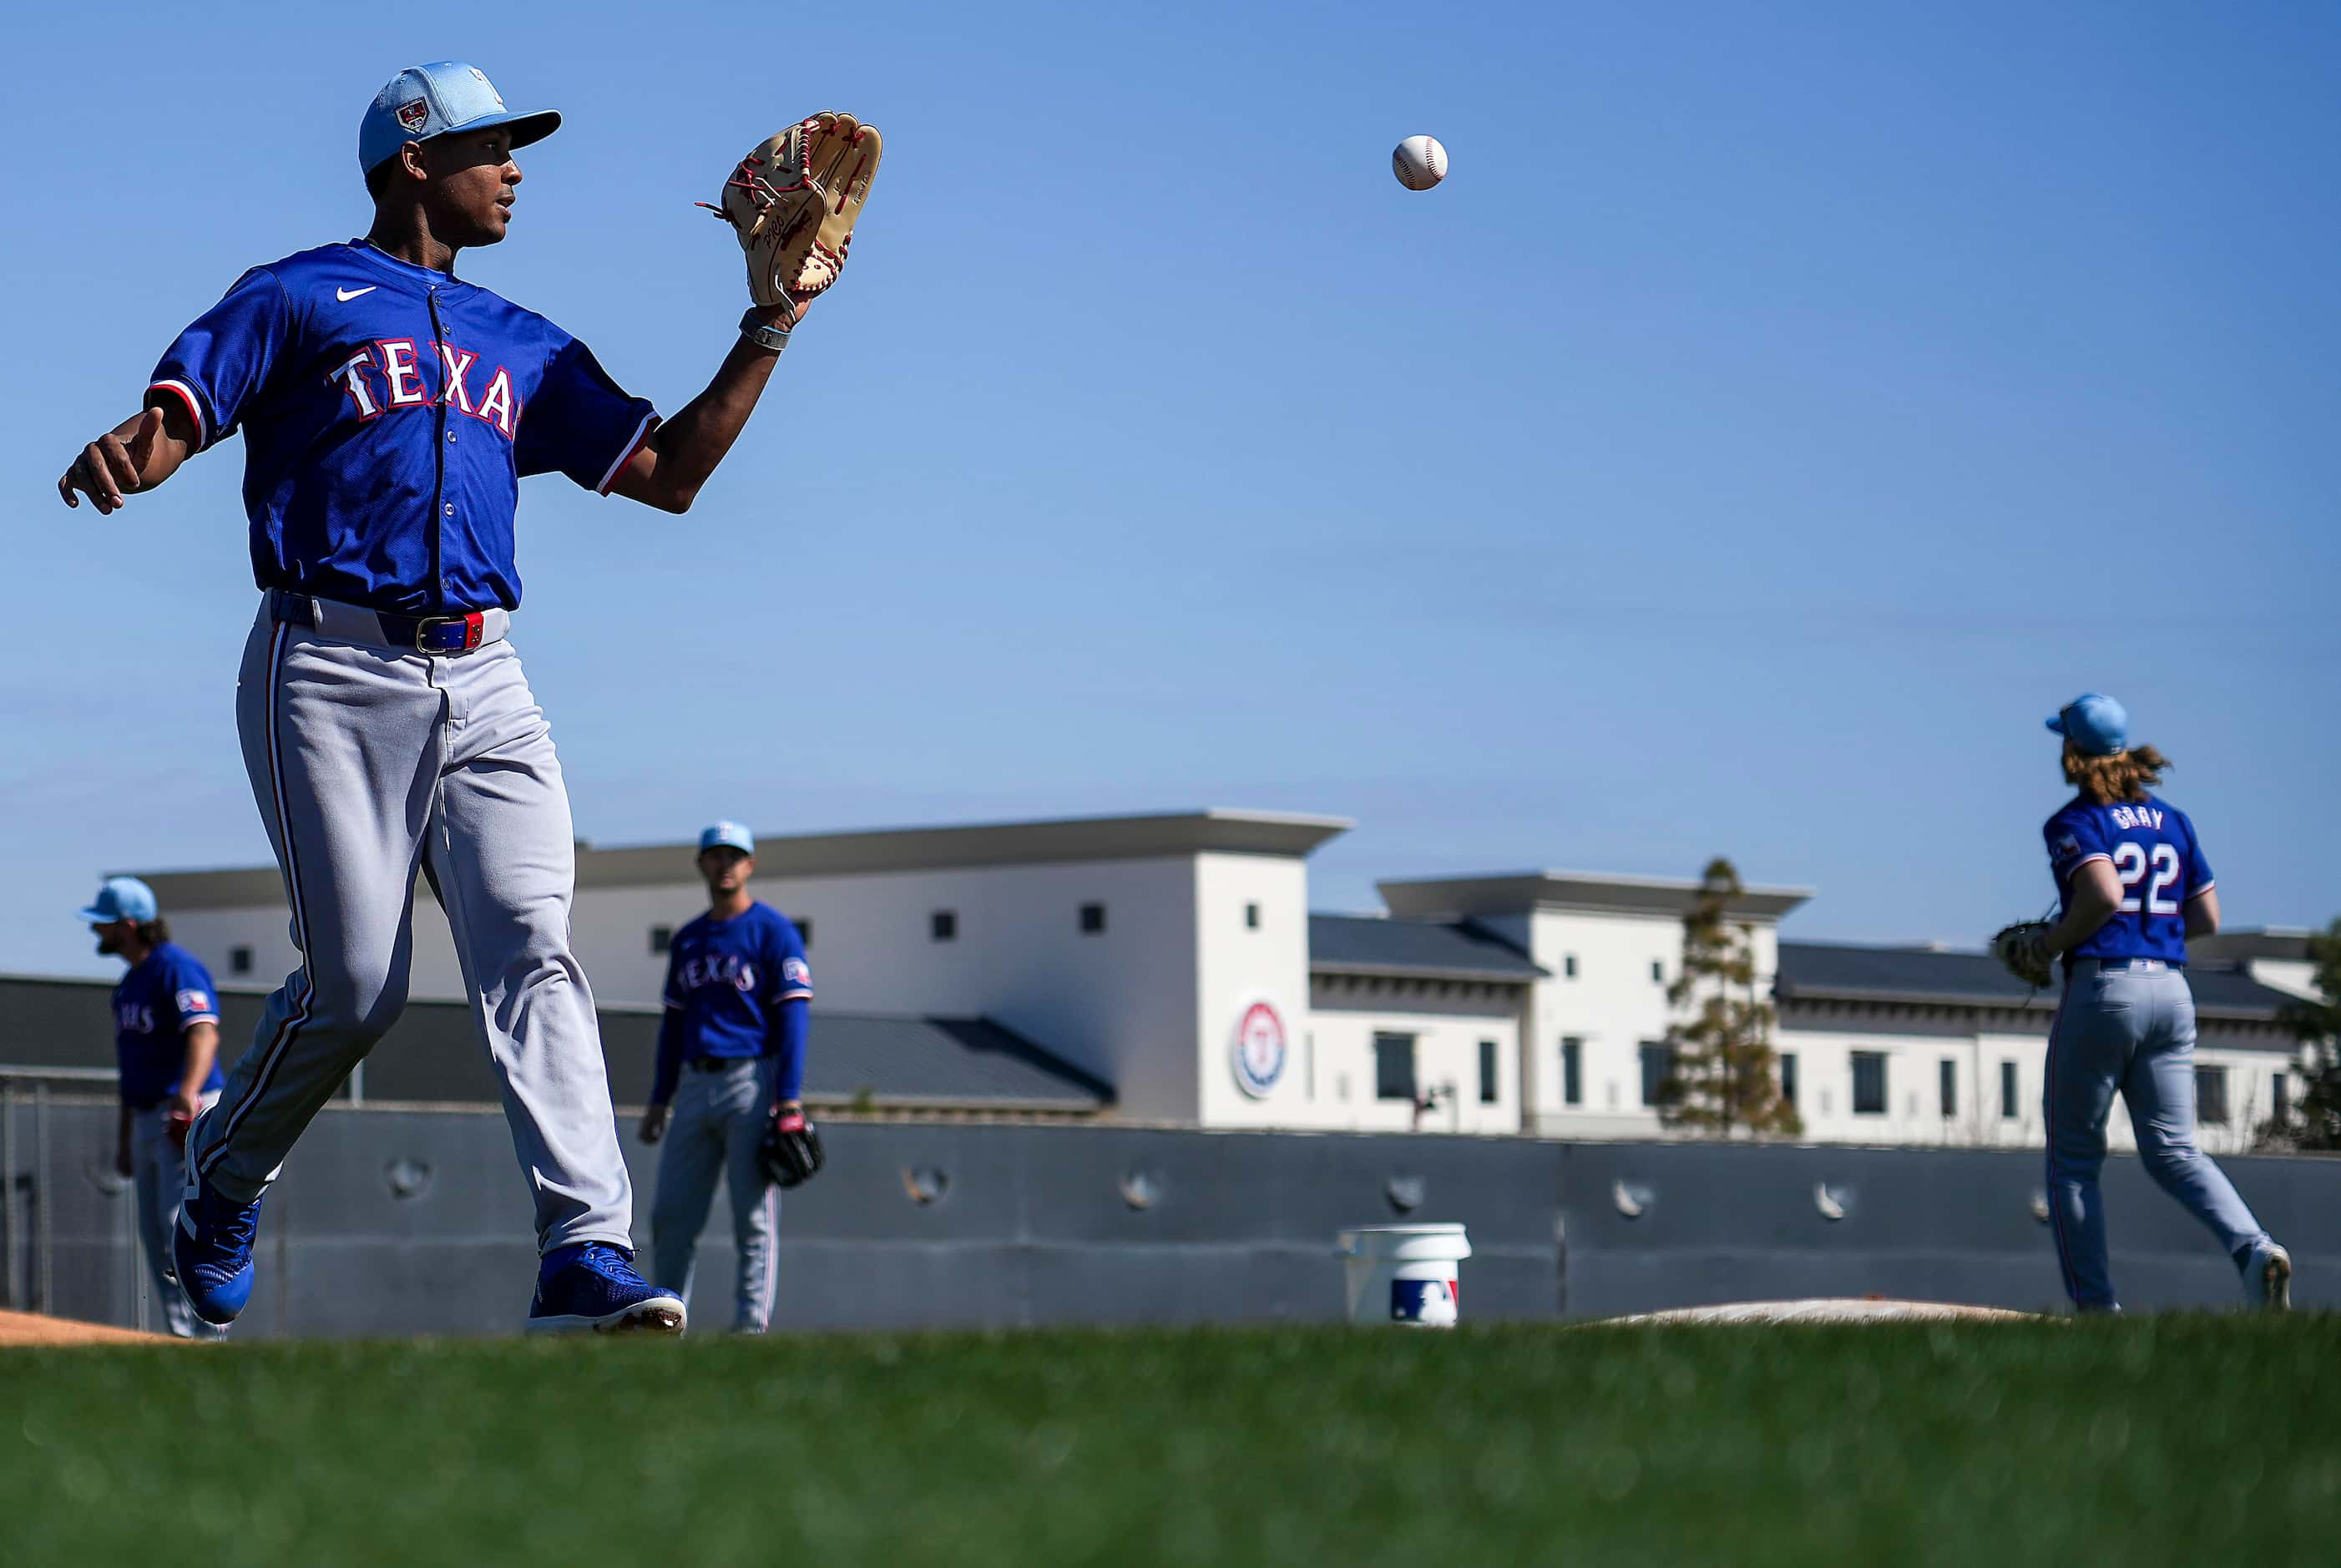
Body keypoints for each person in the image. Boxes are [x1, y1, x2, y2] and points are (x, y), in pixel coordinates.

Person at [55, 62, 832, 1333]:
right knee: (359, 987)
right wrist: (135, 453)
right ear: (415, 157)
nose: (517, 167)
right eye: (495, 146)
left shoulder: (522, 339)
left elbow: (671, 472)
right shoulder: (299, 294)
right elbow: (180, 410)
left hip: (487, 672)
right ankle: (224, 1184)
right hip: (330, 664)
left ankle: (585, 1246)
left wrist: (769, 326)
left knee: (535, 946)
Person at [2017, 693, 2290, 1313]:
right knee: (2174, 1151)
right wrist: (2151, 934)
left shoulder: (2075, 821)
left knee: (2074, 1163)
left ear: (2072, 752)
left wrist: (2049, 944)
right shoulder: (2173, 819)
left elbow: (2104, 894)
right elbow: (2206, 915)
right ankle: (2254, 1249)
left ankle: (2097, 1309)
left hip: (2107, 988)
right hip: (2171, 988)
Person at [639, 822, 812, 1333]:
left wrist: (791, 1100)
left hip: (750, 1083)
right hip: (693, 1083)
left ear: (750, 865)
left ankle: (749, 1330)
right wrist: (658, 1099)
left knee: (752, 1218)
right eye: (716, 855)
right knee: (671, 1215)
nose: (725, 865)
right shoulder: (690, 938)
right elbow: (673, 1024)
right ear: (702, 864)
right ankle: (666, 1323)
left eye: (735, 856)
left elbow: (794, 1018)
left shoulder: (773, 931)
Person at [83, 877, 228, 1340]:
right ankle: (182, 1339)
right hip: (148, 1115)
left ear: (127, 925)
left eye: (103, 924)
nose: (96, 932)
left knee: (178, 1227)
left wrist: (188, 1094)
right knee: (153, 1232)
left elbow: (204, 1031)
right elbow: (131, 1070)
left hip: (183, 1109)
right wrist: (125, 1138)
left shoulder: (175, 967)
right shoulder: (129, 984)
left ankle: (209, 1341)